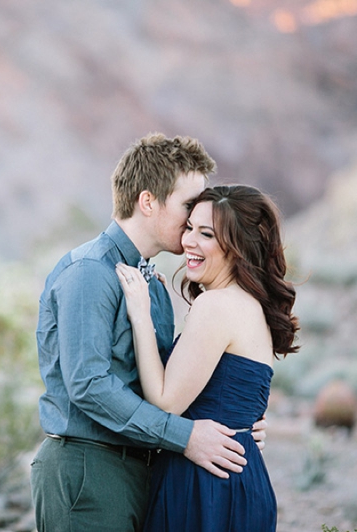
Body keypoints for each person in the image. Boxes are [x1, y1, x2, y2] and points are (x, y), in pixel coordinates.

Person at [31, 134, 268, 532]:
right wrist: (187, 436)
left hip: (144, 471)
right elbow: (88, 385)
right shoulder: (90, 273)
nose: (195, 221)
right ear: (147, 202)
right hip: (89, 471)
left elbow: (162, 386)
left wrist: (237, 423)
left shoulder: (153, 286)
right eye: (188, 206)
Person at [115, 184, 299, 531]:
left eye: (207, 234)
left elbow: (166, 402)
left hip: (204, 484)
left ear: (238, 247)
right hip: (242, 479)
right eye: (189, 228)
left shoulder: (215, 305)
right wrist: (247, 430)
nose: (188, 242)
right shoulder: (253, 307)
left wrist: (141, 313)